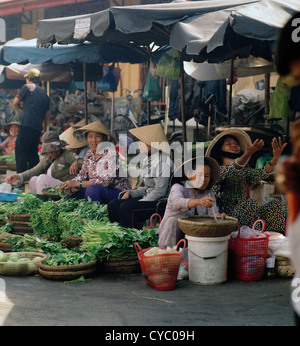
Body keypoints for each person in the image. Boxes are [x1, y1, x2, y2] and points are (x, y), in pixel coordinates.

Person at [205, 129, 287, 233]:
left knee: (276, 205)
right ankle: (252, 233)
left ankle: (272, 238)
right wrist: (248, 153)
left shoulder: (244, 172)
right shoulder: (217, 171)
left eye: (235, 143)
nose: (233, 145)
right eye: (228, 144)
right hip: (227, 219)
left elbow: (263, 174)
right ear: (219, 150)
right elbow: (232, 168)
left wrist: (275, 159)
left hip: (248, 216)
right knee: (251, 204)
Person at [107, 123, 172, 229]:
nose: (139, 144)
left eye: (143, 142)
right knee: (113, 205)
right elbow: (146, 187)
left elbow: (160, 191)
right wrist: (131, 193)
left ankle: (134, 239)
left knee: (126, 207)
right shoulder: (147, 159)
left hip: (159, 202)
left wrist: (140, 202)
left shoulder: (163, 162)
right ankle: (117, 235)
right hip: (148, 198)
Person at [157, 156, 226, 248]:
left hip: (195, 236)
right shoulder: (178, 187)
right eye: (199, 175)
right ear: (189, 174)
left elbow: (212, 214)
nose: (203, 179)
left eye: (207, 176)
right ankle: (167, 252)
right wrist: (198, 201)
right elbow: (177, 202)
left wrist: (219, 217)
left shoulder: (208, 193)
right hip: (171, 235)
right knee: (173, 220)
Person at [59, 120, 131, 203]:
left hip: (117, 191)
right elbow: (82, 175)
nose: (93, 140)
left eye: (97, 137)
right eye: (90, 136)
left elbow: (106, 181)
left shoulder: (111, 153)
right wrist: (70, 183)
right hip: (97, 189)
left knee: (92, 189)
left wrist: (78, 184)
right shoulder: (89, 154)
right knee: (71, 193)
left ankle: (95, 214)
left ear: (104, 139)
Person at [6, 131, 82, 196]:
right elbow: (35, 170)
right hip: (54, 188)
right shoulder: (47, 158)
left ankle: (43, 204)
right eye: (51, 151)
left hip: (66, 187)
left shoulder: (67, 154)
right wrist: (18, 176)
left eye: (57, 150)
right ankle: (41, 201)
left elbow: (82, 162)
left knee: (42, 178)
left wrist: (76, 163)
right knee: (33, 180)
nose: (54, 153)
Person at [12, 68, 50, 173]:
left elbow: (15, 102)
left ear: (29, 78)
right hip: (37, 128)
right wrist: (45, 129)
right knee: (32, 152)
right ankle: (37, 175)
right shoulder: (45, 94)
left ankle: (20, 176)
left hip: (27, 125)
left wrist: (21, 108)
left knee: (20, 151)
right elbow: (47, 114)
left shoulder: (27, 87)